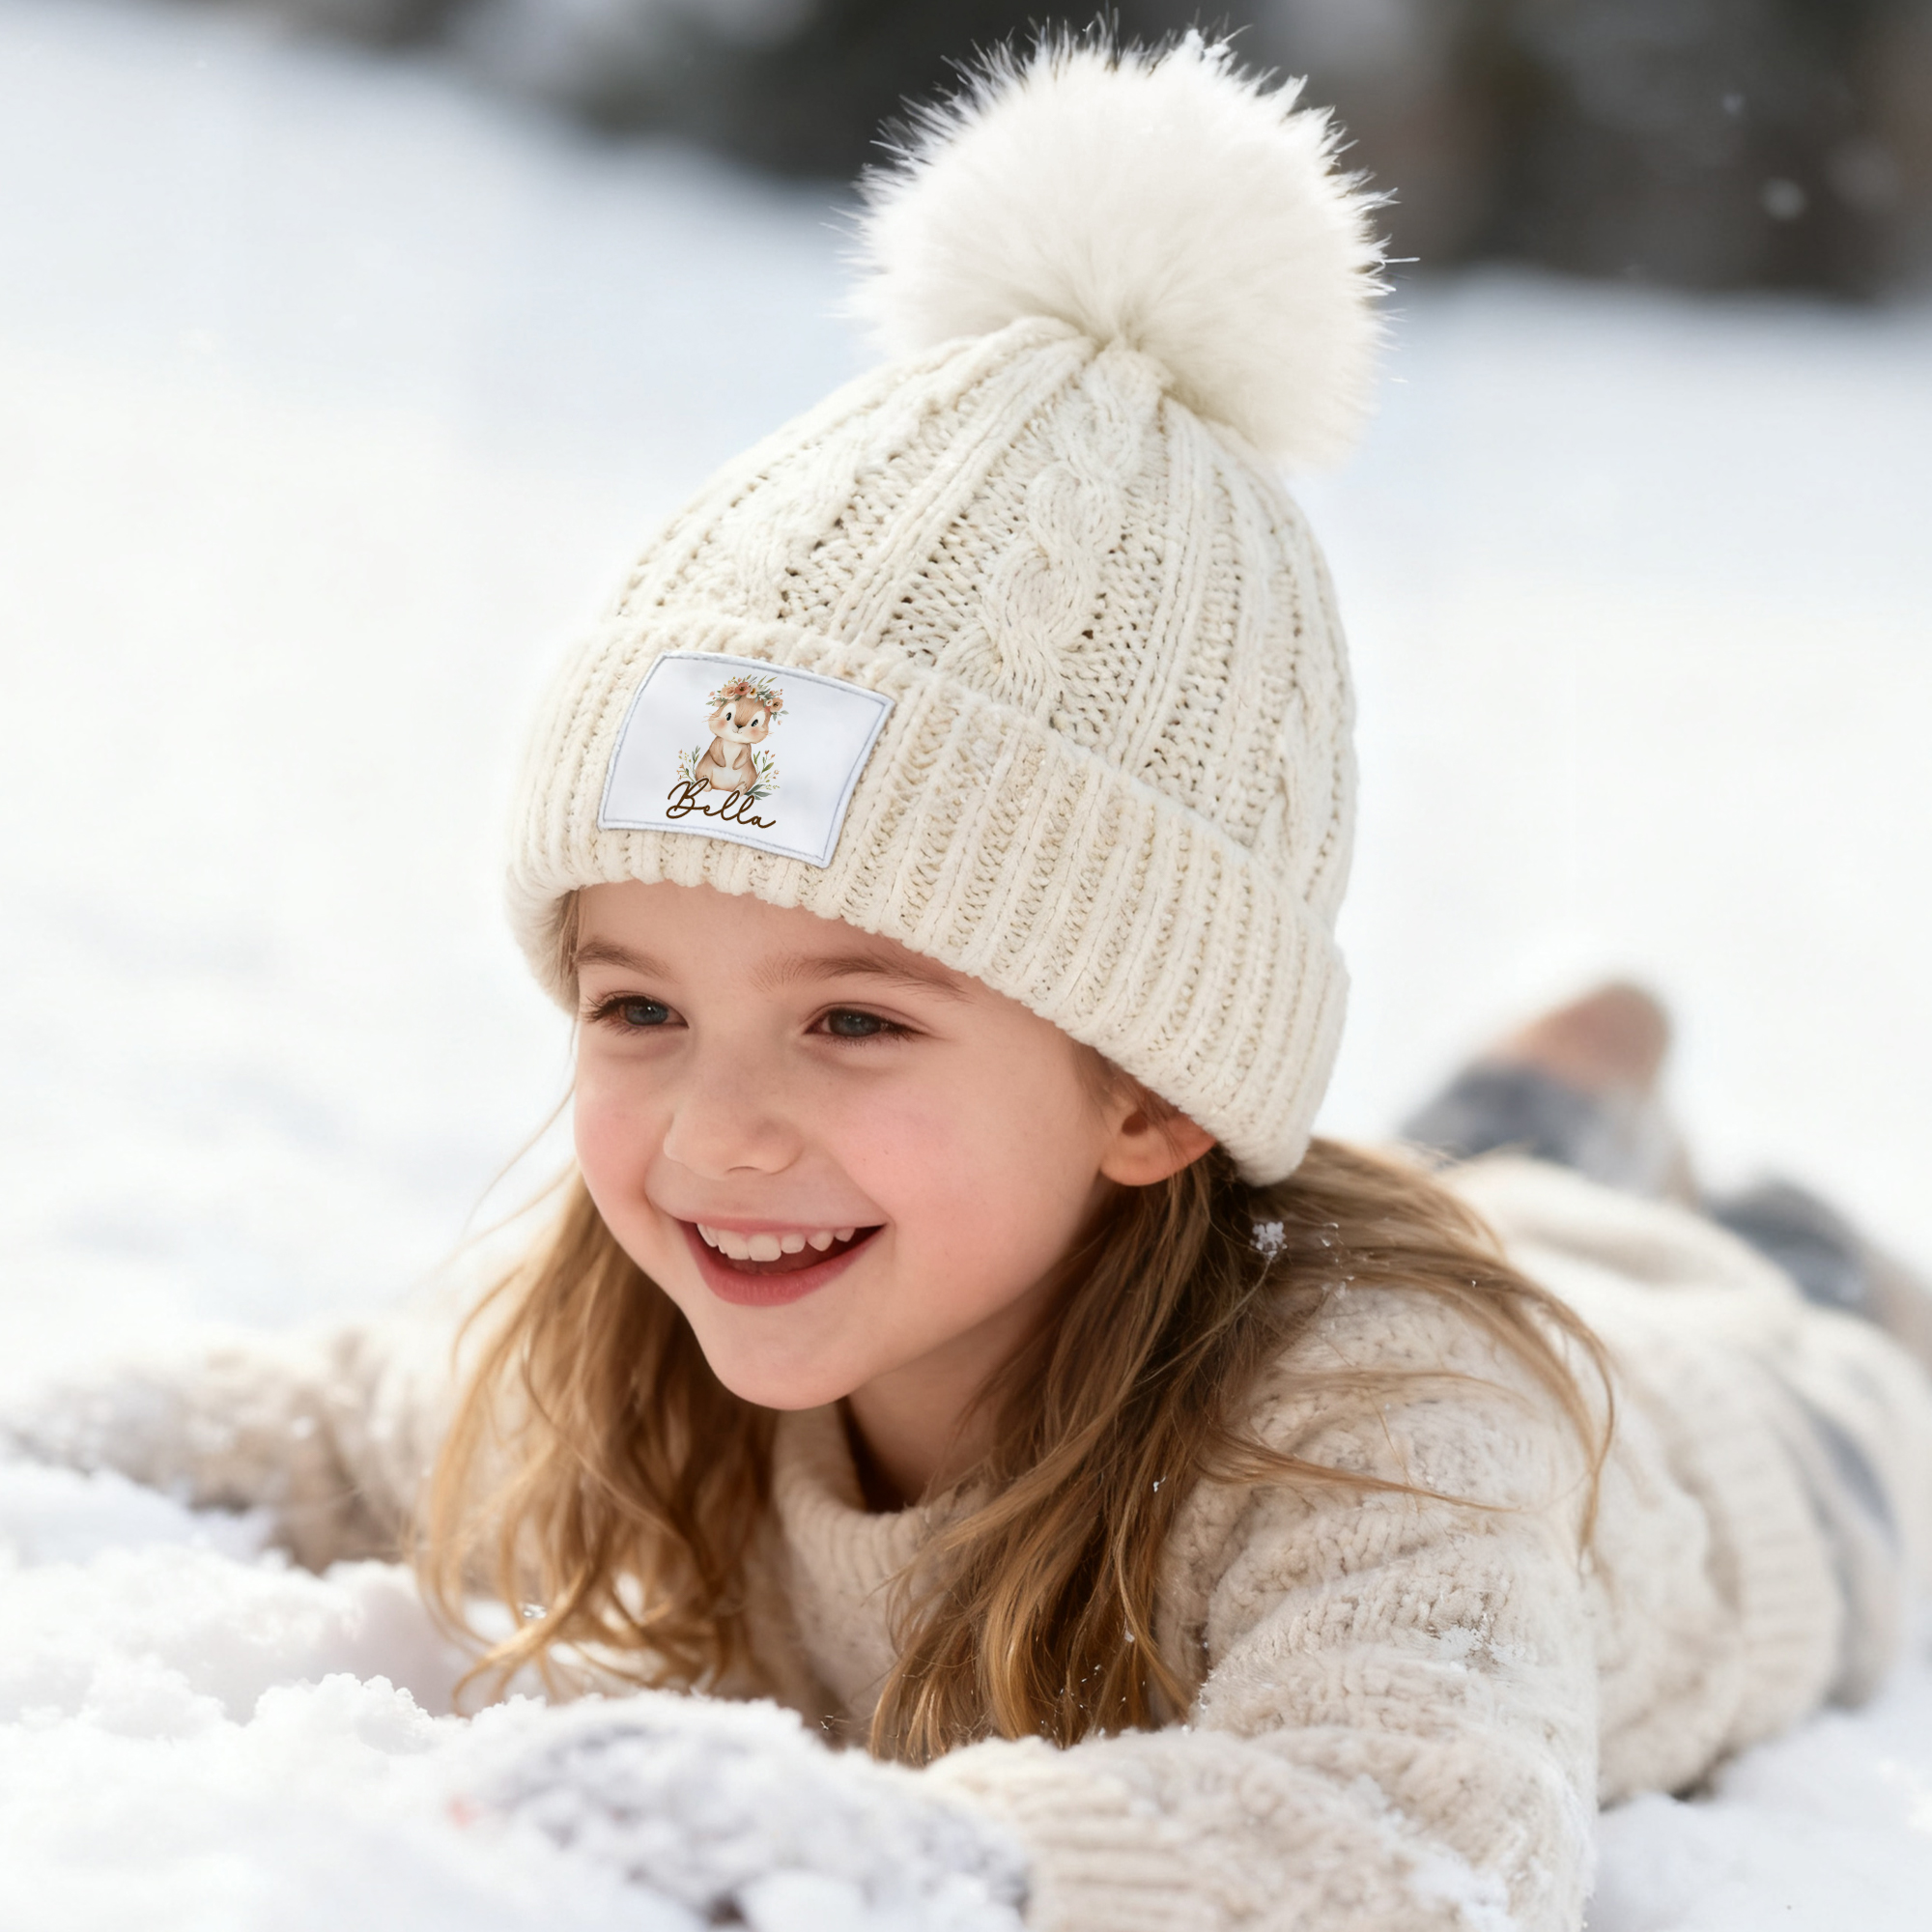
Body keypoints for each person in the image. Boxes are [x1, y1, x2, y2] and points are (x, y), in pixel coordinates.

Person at [8, 34, 1931, 1932]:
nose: (715, 1130)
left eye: (853, 1017)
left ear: (1156, 1084)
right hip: (1331, 1241)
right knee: (1490, 1205)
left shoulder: (1386, 1418)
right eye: (638, 1007)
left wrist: (917, 1863)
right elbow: (334, 1424)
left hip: (1766, 1423)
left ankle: (1668, 1184)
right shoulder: (660, 1358)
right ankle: (1543, 1113)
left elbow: (1415, 1842)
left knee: (1759, 1301)